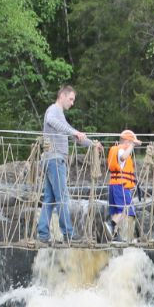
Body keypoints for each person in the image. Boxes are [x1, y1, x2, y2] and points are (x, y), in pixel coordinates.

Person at [39, 85, 102, 243]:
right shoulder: (53, 110)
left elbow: (73, 134)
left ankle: (43, 234)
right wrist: (73, 132)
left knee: (49, 199)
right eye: (71, 99)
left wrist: (92, 144)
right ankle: (68, 233)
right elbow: (52, 121)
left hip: (50, 159)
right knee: (62, 198)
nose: (72, 103)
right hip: (54, 159)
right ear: (62, 96)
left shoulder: (60, 114)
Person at [105, 130, 141, 241]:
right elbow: (122, 157)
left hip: (114, 185)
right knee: (126, 209)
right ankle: (111, 225)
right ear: (126, 141)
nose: (132, 145)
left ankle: (114, 234)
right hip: (121, 185)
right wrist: (132, 146)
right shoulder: (121, 150)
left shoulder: (115, 149)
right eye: (131, 142)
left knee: (116, 211)